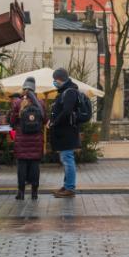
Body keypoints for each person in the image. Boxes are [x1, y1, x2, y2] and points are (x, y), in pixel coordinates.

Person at [9, 77, 47, 200]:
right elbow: (45, 120)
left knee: (22, 167)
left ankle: (21, 193)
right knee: (35, 166)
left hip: (21, 140)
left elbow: (12, 121)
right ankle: (34, 193)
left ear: (24, 88)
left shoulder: (17, 103)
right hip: (36, 140)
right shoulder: (40, 103)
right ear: (34, 89)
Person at [49, 68, 80, 198]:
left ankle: (70, 188)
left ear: (60, 79)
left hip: (67, 132)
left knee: (67, 159)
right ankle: (67, 185)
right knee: (65, 158)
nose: (54, 82)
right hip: (65, 132)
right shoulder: (65, 91)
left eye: (55, 80)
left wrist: (54, 122)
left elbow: (66, 111)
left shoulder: (70, 92)